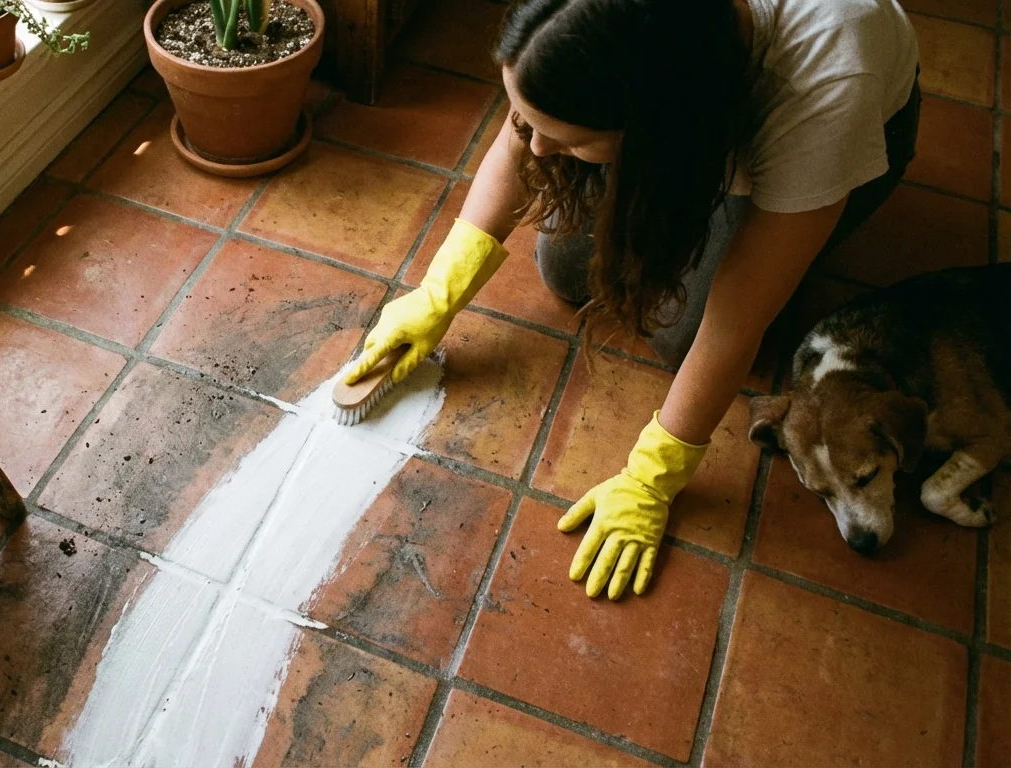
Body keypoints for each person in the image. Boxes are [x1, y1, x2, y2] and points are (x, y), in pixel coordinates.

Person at [343, 0, 920, 599]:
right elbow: (524, 133)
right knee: (569, 269)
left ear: (655, 131)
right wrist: (441, 289)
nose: (536, 148)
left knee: (679, 333)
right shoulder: (597, 22)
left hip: (849, 137)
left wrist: (653, 477)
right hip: (696, 113)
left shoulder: (827, 86)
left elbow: (736, 319)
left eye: (565, 137)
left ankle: (778, 215)